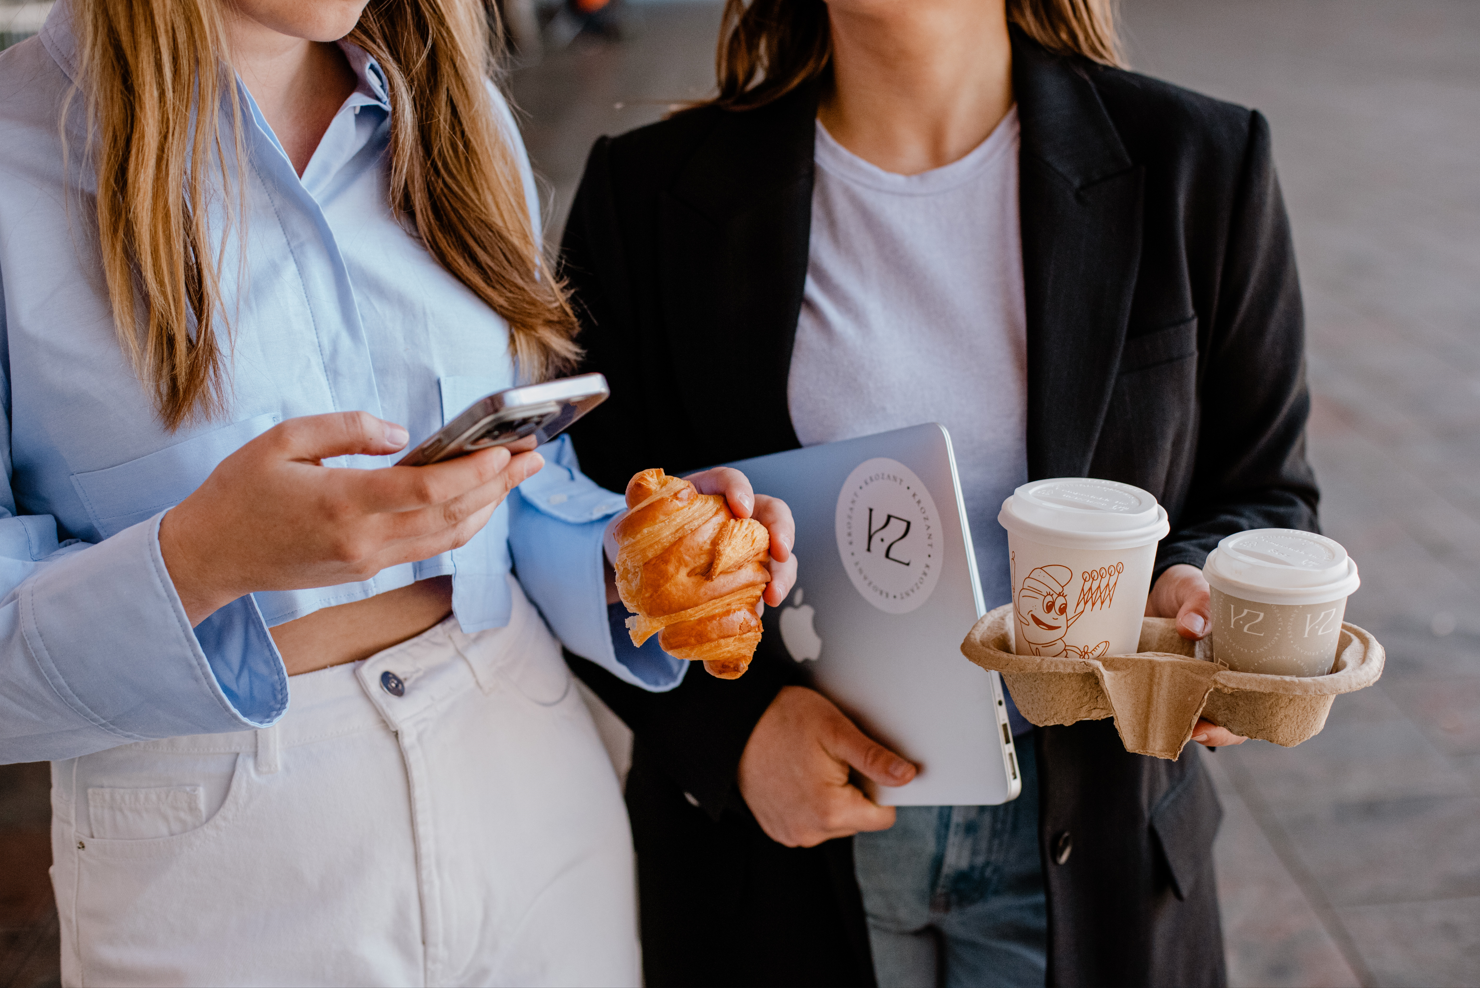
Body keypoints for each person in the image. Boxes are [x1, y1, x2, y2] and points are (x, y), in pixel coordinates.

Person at [0, 1, 796, 984]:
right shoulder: (13, 161)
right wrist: (199, 559)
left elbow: (513, 497)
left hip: (531, 780)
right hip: (218, 847)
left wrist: (638, 560)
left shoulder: (458, 122)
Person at [559, 0, 1318, 984]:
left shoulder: (1197, 161)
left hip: (1089, 833)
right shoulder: (647, 190)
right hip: (779, 854)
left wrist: (1187, 585)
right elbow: (574, 526)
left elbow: (1263, 487)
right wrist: (732, 738)